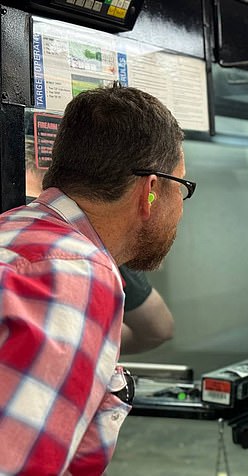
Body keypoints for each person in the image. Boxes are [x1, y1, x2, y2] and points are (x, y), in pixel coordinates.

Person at [0, 84, 193, 474]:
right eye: (182, 187)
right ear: (151, 192)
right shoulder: (76, 273)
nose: (181, 208)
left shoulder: (14, 229)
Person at [26, 139, 175, 356]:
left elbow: (159, 328)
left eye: (34, 202)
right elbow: (157, 329)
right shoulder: (92, 237)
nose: (29, 214)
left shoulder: (94, 242)